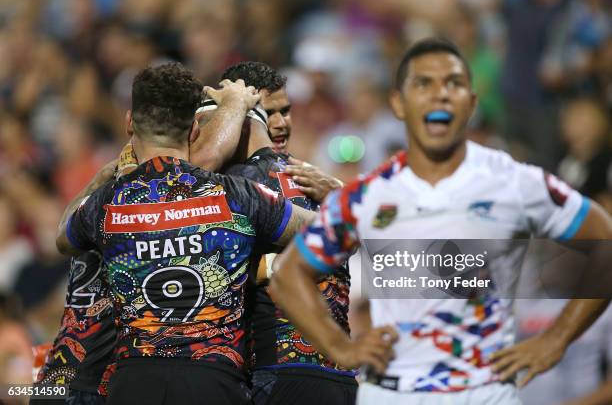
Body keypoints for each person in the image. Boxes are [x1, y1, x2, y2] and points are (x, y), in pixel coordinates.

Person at [269, 38, 612, 404]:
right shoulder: (366, 196)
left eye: (454, 83)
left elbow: (604, 241)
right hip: (393, 393)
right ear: (398, 104)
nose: (440, 95)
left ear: (471, 103)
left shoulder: (514, 182)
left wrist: (556, 338)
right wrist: (341, 348)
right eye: (423, 84)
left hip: (484, 393)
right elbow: (289, 275)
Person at [54, 62, 318, 405]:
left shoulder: (106, 202)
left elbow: (62, 237)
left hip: (132, 381)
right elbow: (325, 231)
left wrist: (100, 180)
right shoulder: (238, 195)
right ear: (194, 128)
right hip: (213, 380)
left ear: (129, 122)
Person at [218, 61, 356, 405]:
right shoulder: (232, 182)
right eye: (270, 114)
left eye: (286, 111)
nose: (280, 124)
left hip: (290, 371)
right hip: (308, 370)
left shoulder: (313, 180)